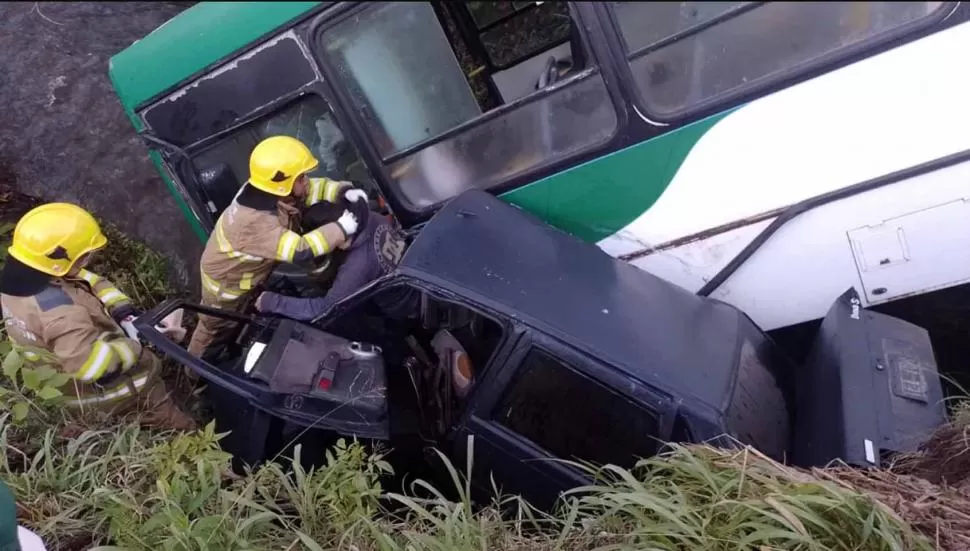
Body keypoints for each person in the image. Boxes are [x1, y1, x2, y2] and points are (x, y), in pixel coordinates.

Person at [0, 203, 195, 430]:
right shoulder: (61, 316)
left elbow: (89, 280)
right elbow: (91, 366)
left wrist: (123, 312)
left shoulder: (25, 275)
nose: (87, 263)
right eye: (84, 257)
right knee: (179, 427)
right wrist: (136, 346)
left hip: (63, 387)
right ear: (60, 259)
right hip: (119, 395)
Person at [186, 135, 368, 357]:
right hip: (226, 289)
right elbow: (301, 250)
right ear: (284, 185)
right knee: (215, 329)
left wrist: (343, 191)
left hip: (250, 277)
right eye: (301, 178)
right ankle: (195, 377)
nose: (306, 181)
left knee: (242, 320)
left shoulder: (270, 189)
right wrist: (342, 228)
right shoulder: (253, 222)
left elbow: (309, 190)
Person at [254, 198, 410, 321]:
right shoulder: (370, 217)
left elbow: (325, 309)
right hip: (410, 275)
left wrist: (273, 302)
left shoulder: (357, 267)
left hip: (403, 309)